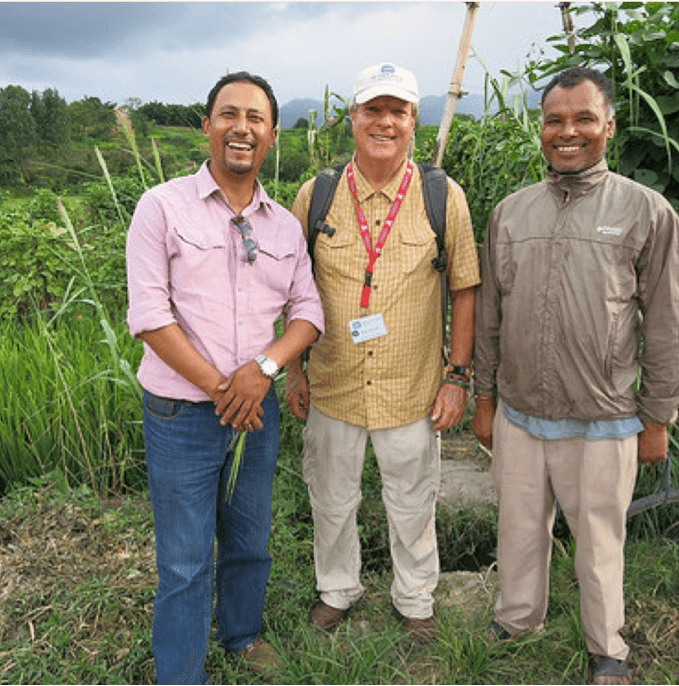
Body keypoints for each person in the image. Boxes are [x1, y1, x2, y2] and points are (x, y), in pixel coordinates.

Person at [472, 65, 679, 685]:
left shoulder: (645, 212)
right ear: (540, 128)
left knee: (600, 544)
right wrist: (484, 397)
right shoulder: (510, 213)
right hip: (519, 413)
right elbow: (490, 313)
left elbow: (672, 324)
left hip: (604, 419)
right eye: (554, 120)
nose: (567, 132)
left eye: (583, 119)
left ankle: (607, 647)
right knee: (518, 530)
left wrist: (658, 417)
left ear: (610, 127)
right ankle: (517, 620)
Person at [125, 71, 324, 685]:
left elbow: (308, 312)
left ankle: (241, 634)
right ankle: (181, 673)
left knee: (250, 538)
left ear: (271, 135)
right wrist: (222, 388)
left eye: (256, 118)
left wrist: (264, 371)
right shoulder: (161, 207)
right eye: (229, 114)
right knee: (185, 561)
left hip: (255, 414)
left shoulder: (284, 227)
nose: (242, 127)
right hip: (183, 413)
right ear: (206, 125)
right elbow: (150, 317)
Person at [285, 62, 480, 643]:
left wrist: (458, 377)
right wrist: (293, 370)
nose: (385, 122)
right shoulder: (316, 195)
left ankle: (415, 597)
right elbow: (291, 288)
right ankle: (337, 589)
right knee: (331, 498)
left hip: (412, 388)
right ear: (352, 118)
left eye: (398, 111)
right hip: (333, 386)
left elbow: (464, 289)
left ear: (414, 121)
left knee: (413, 501)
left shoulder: (442, 197)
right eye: (373, 109)